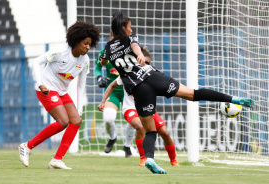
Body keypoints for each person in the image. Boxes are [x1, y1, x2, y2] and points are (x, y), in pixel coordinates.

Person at [100, 12, 254, 174]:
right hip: (152, 77)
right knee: (193, 94)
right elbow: (135, 46)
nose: (132, 30)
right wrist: (139, 54)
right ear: (124, 28)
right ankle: (234, 99)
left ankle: (150, 159)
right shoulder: (131, 38)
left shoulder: (108, 48)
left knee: (150, 131)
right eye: (130, 27)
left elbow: (103, 61)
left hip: (138, 89)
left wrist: (106, 60)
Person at [18, 21, 100, 169]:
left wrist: (79, 109)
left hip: (61, 92)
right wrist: (39, 84)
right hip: (47, 89)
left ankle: (56, 159)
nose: (88, 47)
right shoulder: (60, 52)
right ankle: (27, 146)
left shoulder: (85, 60)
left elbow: (81, 85)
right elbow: (37, 62)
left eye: (90, 44)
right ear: (76, 40)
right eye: (85, 44)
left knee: (76, 120)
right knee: (63, 121)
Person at [98, 46, 180, 167]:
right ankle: (142, 159)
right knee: (140, 126)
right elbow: (111, 85)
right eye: (144, 61)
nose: (146, 64)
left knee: (165, 133)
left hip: (148, 107)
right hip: (131, 109)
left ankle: (173, 161)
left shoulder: (152, 74)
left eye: (148, 63)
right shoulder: (127, 74)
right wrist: (103, 102)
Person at [95, 33, 135, 157]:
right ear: (110, 38)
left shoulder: (130, 49)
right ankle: (112, 138)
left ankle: (127, 146)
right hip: (113, 91)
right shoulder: (104, 52)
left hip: (129, 90)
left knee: (133, 120)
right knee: (108, 118)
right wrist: (99, 77)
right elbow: (97, 67)